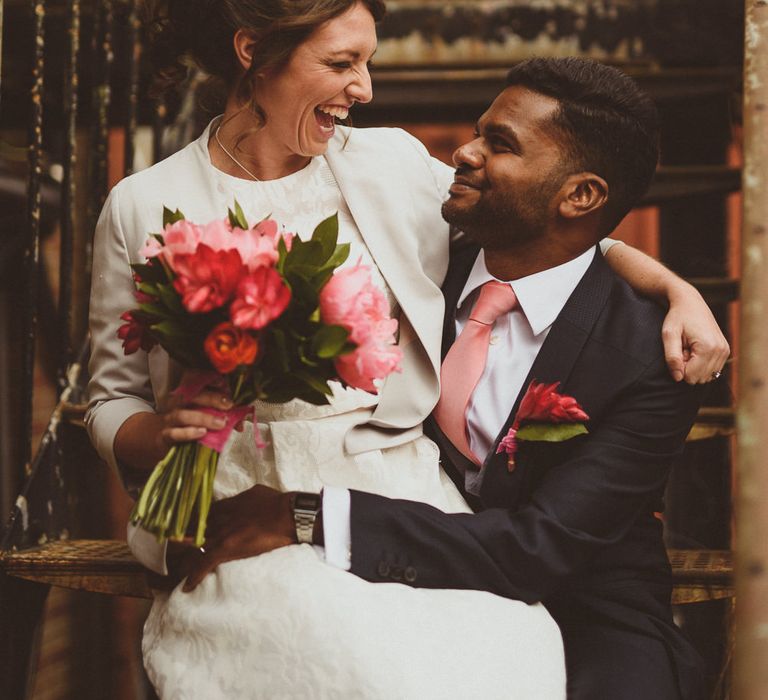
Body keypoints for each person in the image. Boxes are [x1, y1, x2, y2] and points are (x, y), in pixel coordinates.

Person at [85, 1, 727, 696]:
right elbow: (110, 395)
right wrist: (158, 435)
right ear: (253, 51)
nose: (364, 88)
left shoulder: (388, 164)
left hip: (394, 481)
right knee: (350, 663)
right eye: (341, 63)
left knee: (501, 658)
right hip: (232, 483)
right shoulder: (142, 202)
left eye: (368, 62)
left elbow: (549, 230)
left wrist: (672, 288)